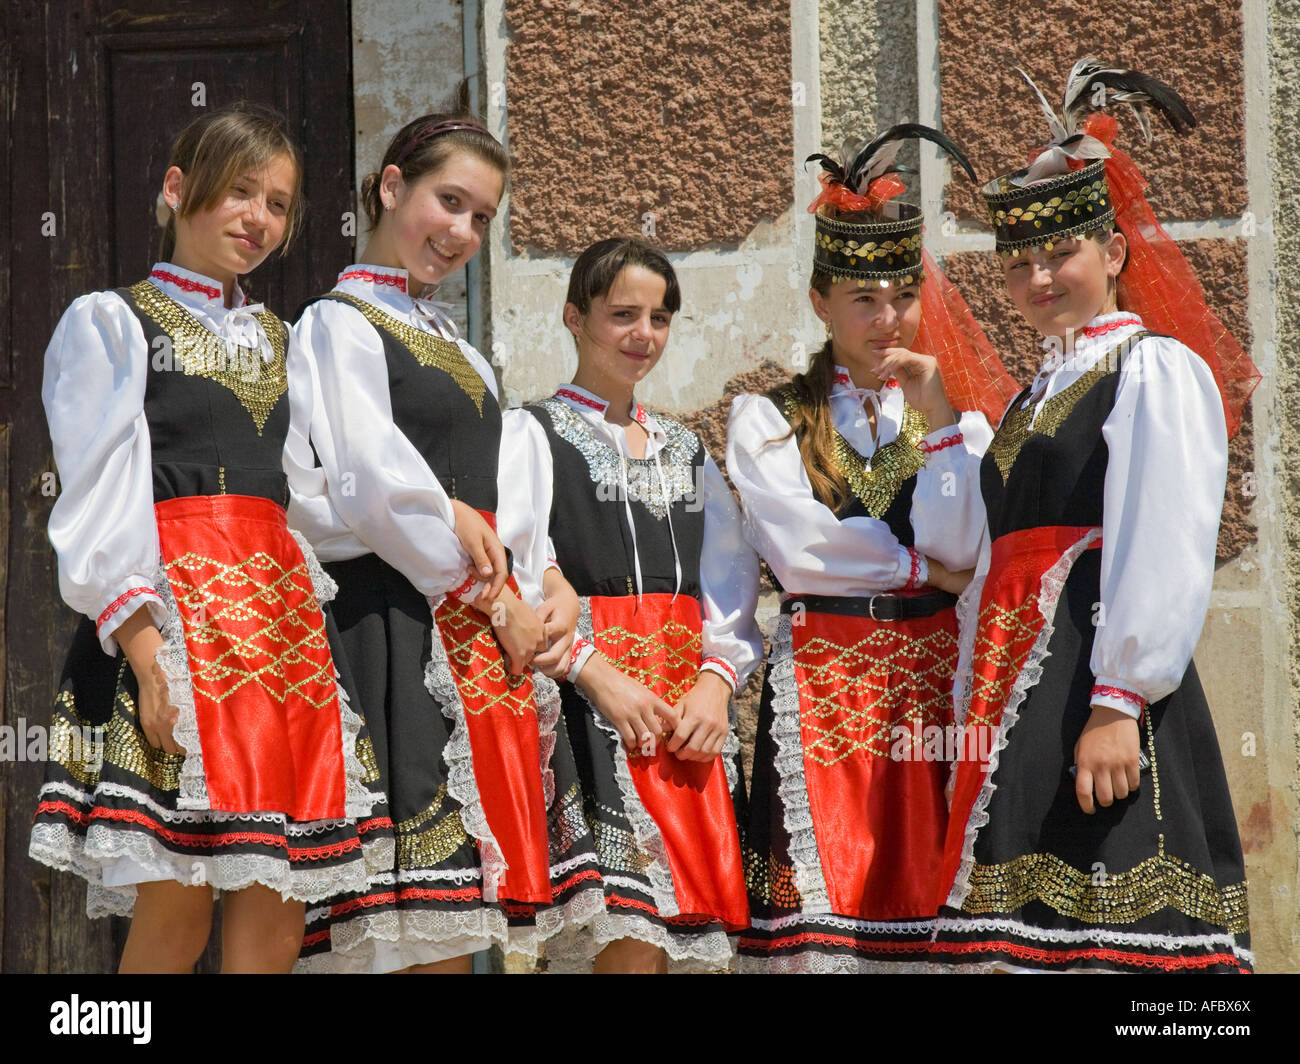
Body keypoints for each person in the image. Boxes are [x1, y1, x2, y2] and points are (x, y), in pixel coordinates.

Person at [28, 105, 388, 974]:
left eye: (276, 203)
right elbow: (99, 493)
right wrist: (150, 655)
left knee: (274, 906)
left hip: (282, 634)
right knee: (176, 904)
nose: (256, 218)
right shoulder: (113, 322)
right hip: (181, 620)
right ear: (177, 188)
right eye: (238, 191)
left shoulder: (283, 338)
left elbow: (310, 496)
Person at [932, 59, 1259, 973]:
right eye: (1021, 260)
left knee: (1111, 929)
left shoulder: (1153, 371)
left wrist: (1119, 698)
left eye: (1061, 254)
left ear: (1114, 253)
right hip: (1013, 684)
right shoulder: (1029, 395)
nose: (1039, 277)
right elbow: (968, 546)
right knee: (1027, 935)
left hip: (1089, 672)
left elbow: (1164, 535)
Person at [289, 106, 600, 973]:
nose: (462, 232)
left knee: (462, 925)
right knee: (411, 928)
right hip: (389, 627)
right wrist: (491, 593)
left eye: (482, 218)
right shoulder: (339, 323)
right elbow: (367, 482)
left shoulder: (454, 343)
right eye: (448, 201)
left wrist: (543, 585)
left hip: (472, 641)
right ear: (392, 187)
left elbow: (497, 485)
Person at [727, 125, 1017, 972]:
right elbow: (806, 553)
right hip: (824, 678)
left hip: (937, 684)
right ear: (821, 302)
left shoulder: (955, 421)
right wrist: (926, 570)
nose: (887, 318)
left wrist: (934, 421)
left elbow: (964, 535)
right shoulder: (769, 418)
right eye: (864, 299)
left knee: (934, 901)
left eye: (902, 296)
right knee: (826, 912)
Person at [496, 237, 762, 972]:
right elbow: (521, 575)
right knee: (623, 947)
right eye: (623, 314)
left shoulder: (688, 449)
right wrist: (595, 672)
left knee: (678, 954)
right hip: (589, 713)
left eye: (660, 316)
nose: (644, 334)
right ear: (574, 318)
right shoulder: (532, 434)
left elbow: (730, 582)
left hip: (682, 721)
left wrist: (717, 682)